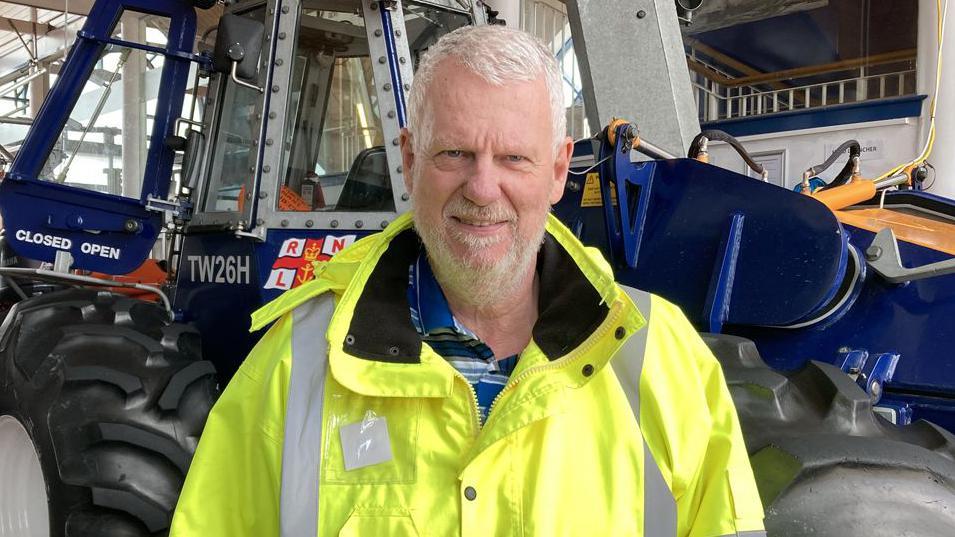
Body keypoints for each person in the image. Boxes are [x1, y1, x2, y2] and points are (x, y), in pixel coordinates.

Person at [170, 25, 765, 537]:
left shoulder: (664, 361)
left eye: (514, 158)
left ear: (559, 171)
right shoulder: (295, 365)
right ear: (408, 161)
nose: (482, 190)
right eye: (454, 153)